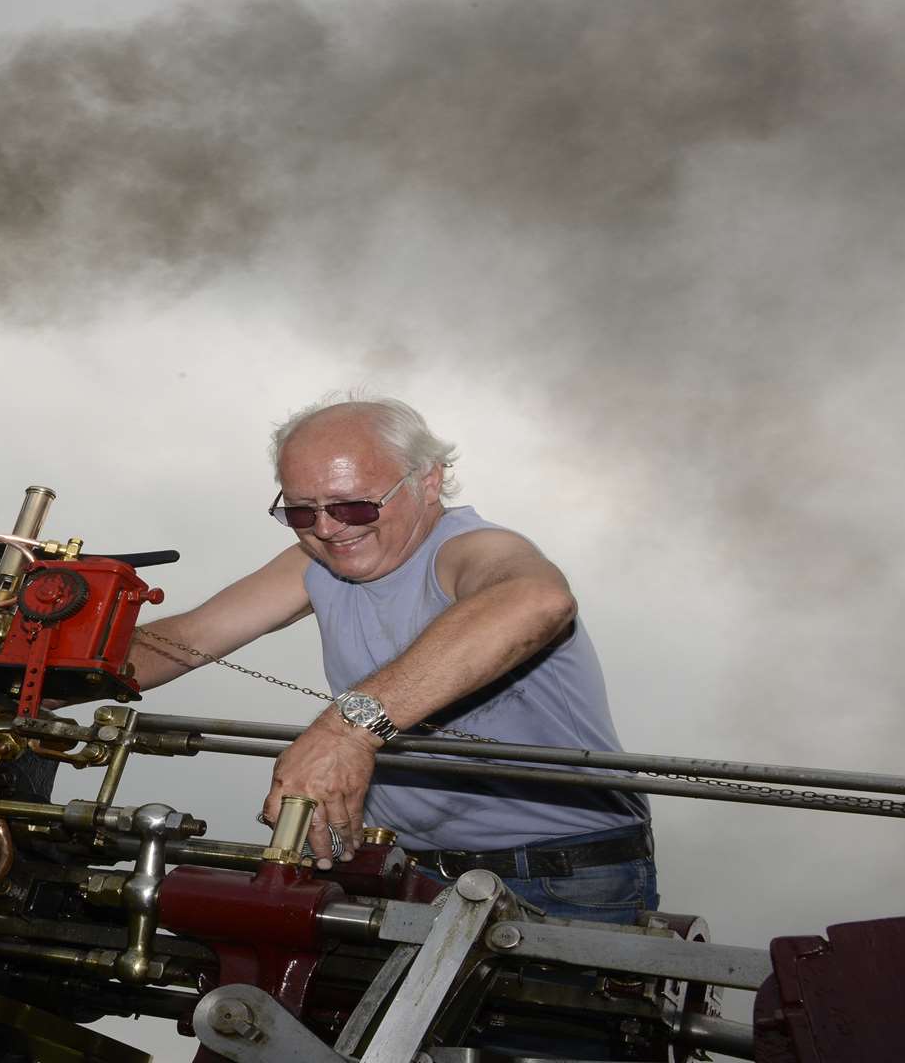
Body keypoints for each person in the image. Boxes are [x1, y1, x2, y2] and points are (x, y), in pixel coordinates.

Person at [128, 395, 656, 923]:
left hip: (562, 877)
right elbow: (183, 638)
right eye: (300, 512)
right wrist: (51, 676)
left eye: (353, 506)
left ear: (428, 480)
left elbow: (537, 600)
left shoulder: (471, 550)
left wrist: (346, 731)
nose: (329, 529)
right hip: (404, 872)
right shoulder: (318, 560)